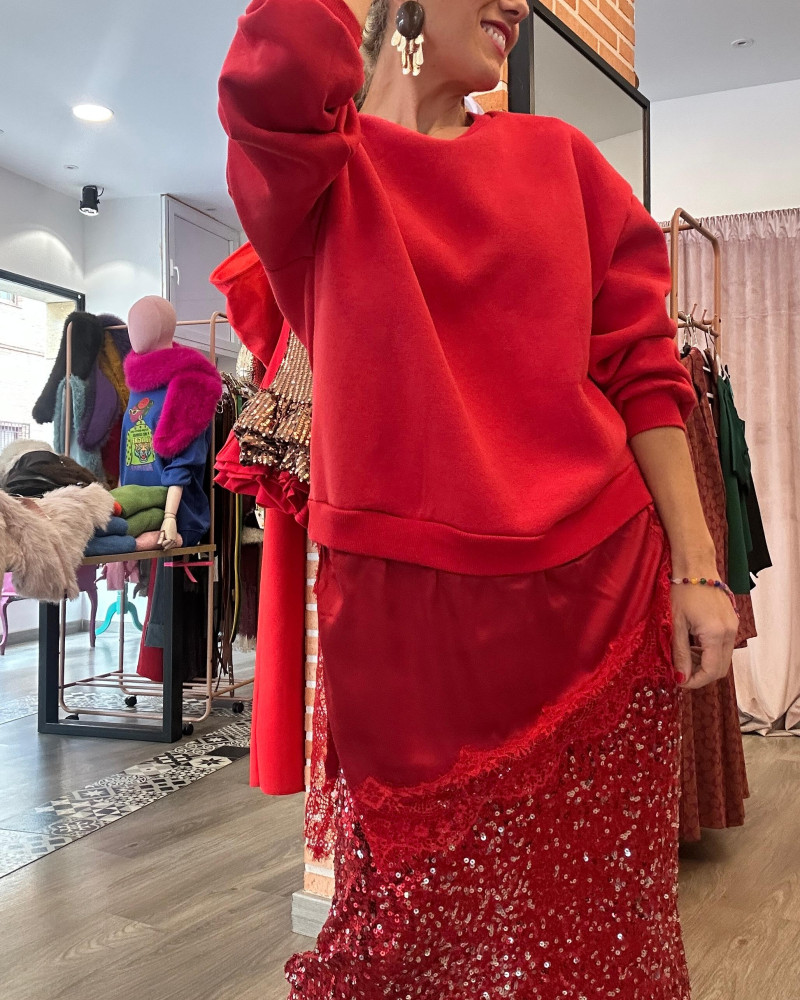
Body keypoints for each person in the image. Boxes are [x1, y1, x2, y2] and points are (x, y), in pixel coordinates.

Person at [219, 1, 739, 995]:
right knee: (412, 944)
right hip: (405, 629)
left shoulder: (562, 160)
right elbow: (274, 65)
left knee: (589, 939)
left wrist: (698, 567)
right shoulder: (317, 174)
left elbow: (643, 370)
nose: (514, 5)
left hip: (595, 602)